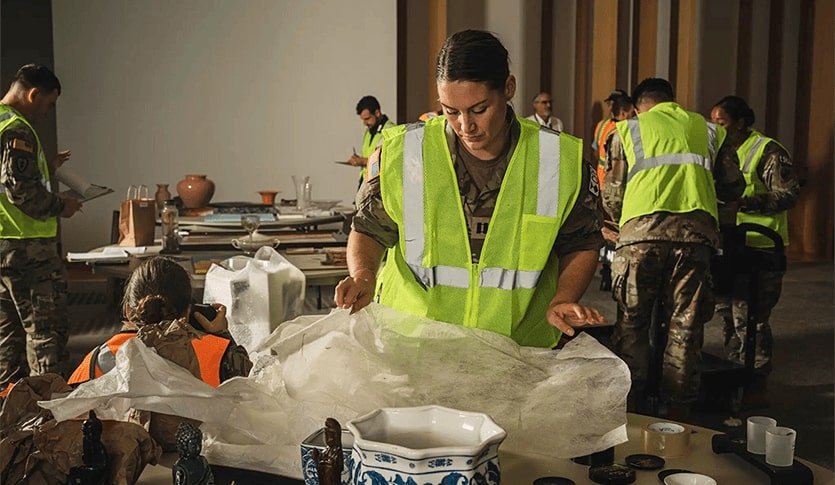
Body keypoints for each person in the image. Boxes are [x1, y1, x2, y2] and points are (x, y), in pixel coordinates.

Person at [335, 29, 606, 348]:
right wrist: (364, 274)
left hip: (516, 349)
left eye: (479, 109)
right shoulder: (404, 154)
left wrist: (563, 297)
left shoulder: (557, 161)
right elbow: (368, 228)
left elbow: (581, 241)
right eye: (451, 111)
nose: (466, 126)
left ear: (508, 88)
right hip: (415, 345)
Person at [601, 78, 745, 419]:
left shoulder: (626, 130)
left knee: (632, 324)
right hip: (696, 240)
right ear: (672, 101)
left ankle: (631, 410)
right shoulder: (709, 130)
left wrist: (620, 225)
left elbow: (613, 196)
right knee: (686, 324)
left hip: (640, 238)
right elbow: (732, 186)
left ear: (638, 106)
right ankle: (678, 414)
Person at [67, 256, 252, 450]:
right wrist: (223, 335)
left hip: (128, 468)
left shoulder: (98, 358)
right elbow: (247, 396)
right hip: (200, 462)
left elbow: (74, 419)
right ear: (188, 312)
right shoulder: (220, 351)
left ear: (129, 311)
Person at [709, 95, 800, 406]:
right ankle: (733, 375)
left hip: (761, 247)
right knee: (726, 313)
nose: (716, 129)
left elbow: (789, 195)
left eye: (721, 123)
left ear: (741, 123)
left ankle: (756, 383)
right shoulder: (721, 152)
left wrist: (744, 203)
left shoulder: (767, 150)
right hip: (730, 245)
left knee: (752, 318)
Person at [0, 64, 83, 390]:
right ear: (33, 94)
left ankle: (11, 414)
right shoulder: (18, 130)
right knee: (45, 333)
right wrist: (64, 205)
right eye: (48, 104)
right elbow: (22, 193)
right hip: (27, 250)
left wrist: (47, 167)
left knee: (8, 338)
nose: (47, 113)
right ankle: (50, 413)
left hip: (4, 249)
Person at [590, 89, 634, 291]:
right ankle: (609, 273)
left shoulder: (626, 129)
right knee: (609, 235)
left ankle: (612, 274)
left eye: (613, 104)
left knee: (612, 235)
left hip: (611, 187)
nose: (610, 108)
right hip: (608, 187)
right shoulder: (607, 127)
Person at [346, 95, 394, 188]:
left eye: (367, 119)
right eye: (363, 119)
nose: (364, 123)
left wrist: (362, 161)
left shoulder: (391, 130)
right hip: (366, 183)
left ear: (377, 113)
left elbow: (388, 161)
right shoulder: (369, 131)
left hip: (380, 187)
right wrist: (359, 159)